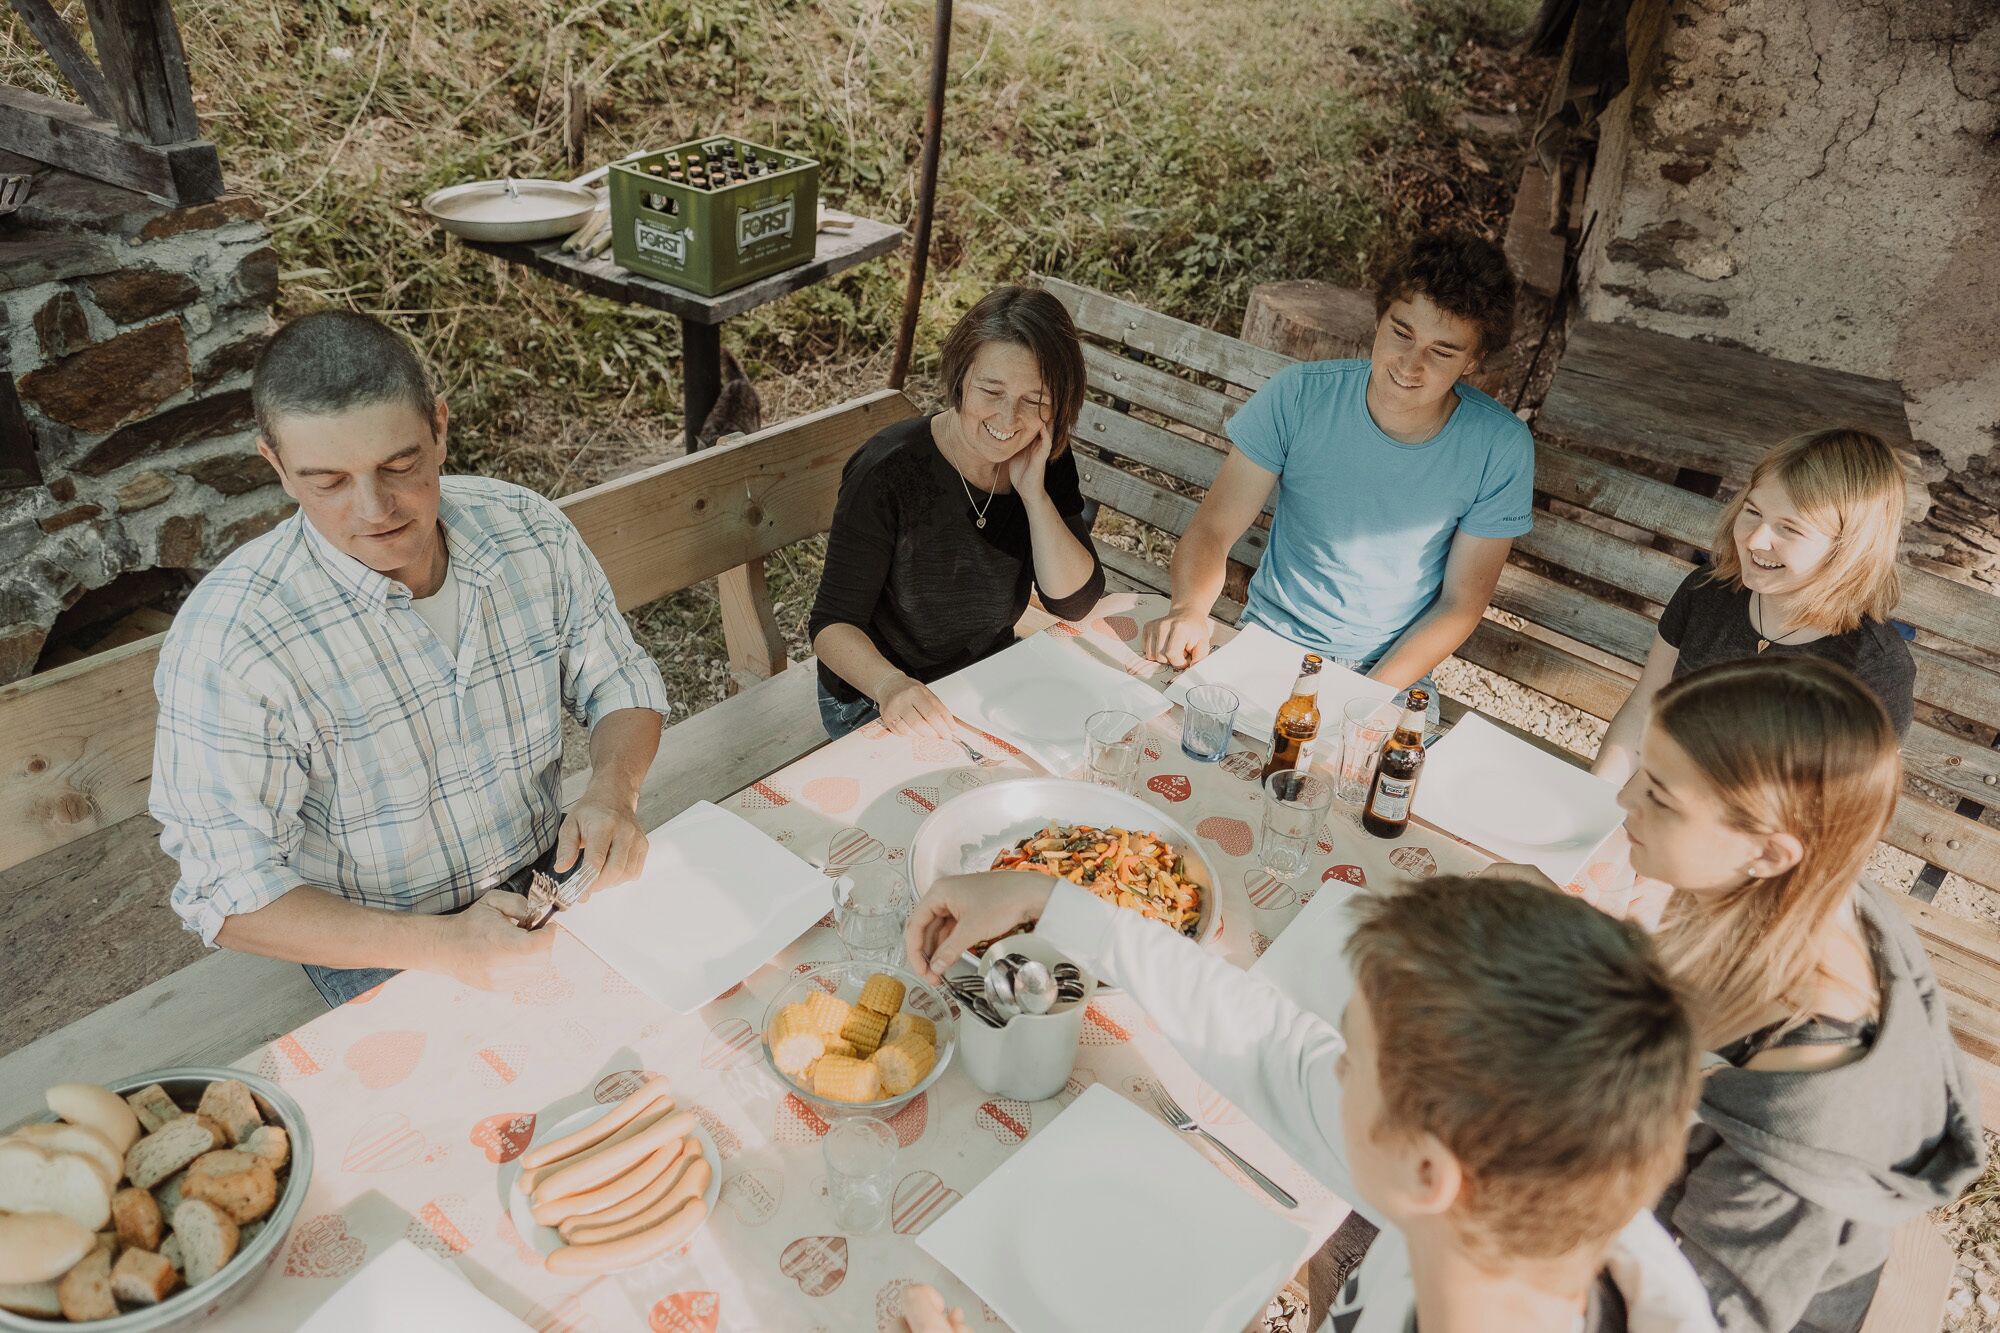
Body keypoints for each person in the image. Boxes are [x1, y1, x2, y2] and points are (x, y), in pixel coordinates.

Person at [905, 874, 1717, 1333]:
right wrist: (1055, 904)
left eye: (1351, 1060)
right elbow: (1272, 1046)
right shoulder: (1513, 1213)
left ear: (1428, 1168)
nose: (1326, 1066)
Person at [151, 311, 671, 1007]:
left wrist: (613, 788)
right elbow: (228, 892)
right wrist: (444, 945)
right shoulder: (233, 644)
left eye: (399, 465)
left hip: (557, 880)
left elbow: (621, 681)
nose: (374, 509)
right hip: (377, 941)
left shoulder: (527, 530)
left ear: (440, 427)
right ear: (275, 465)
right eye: (327, 481)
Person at [1610, 656, 1982, 1331]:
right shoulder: (1802, 890)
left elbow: (1690, 1315)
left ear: (1772, 851)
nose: (1625, 799)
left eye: (1661, 795)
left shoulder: (1801, 1123)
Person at [1140, 230, 1532, 715]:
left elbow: (1460, 605)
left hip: (1389, 670)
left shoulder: (1499, 446)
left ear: (1474, 360)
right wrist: (1189, 609)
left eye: (1442, 351)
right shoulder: (1300, 396)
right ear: (1379, 317)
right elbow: (1214, 528)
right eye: (1401, 333)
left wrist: (1365, 697)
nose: (1410, 365)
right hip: (1270, 640)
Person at [809, 285, 1105, 741]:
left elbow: (1073, 602)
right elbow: (832, 625)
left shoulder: (1043, 460)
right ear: (961, 378)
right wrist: (890, 685)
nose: (1009, 419)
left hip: (983, 675)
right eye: (992, 390)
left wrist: (1034, 496)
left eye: (1035, 400)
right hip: (877, 692)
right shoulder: (888, 470)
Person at [1592, 428, 1914, 785]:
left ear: (1848, 549)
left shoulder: (1874, 667)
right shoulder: (1707, 591)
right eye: (1753, 512)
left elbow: (1840, 810)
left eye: (1790, 529)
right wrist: (1594, 800)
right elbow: (1644, 712)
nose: (1756, 539)